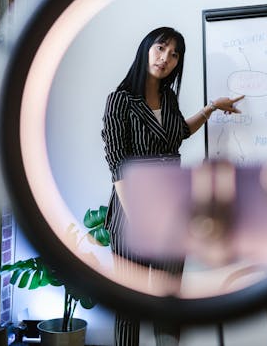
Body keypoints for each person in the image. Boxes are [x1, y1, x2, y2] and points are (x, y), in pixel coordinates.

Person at [101, 26, 244, 346]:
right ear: (146, 49)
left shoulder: (167, 97)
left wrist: (211, 108)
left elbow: (178, 133)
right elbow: (117, 164)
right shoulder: (120, 100)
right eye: (161, 48)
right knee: (131, 305)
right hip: (131, 213)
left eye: (174, 53)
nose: (166, 58)